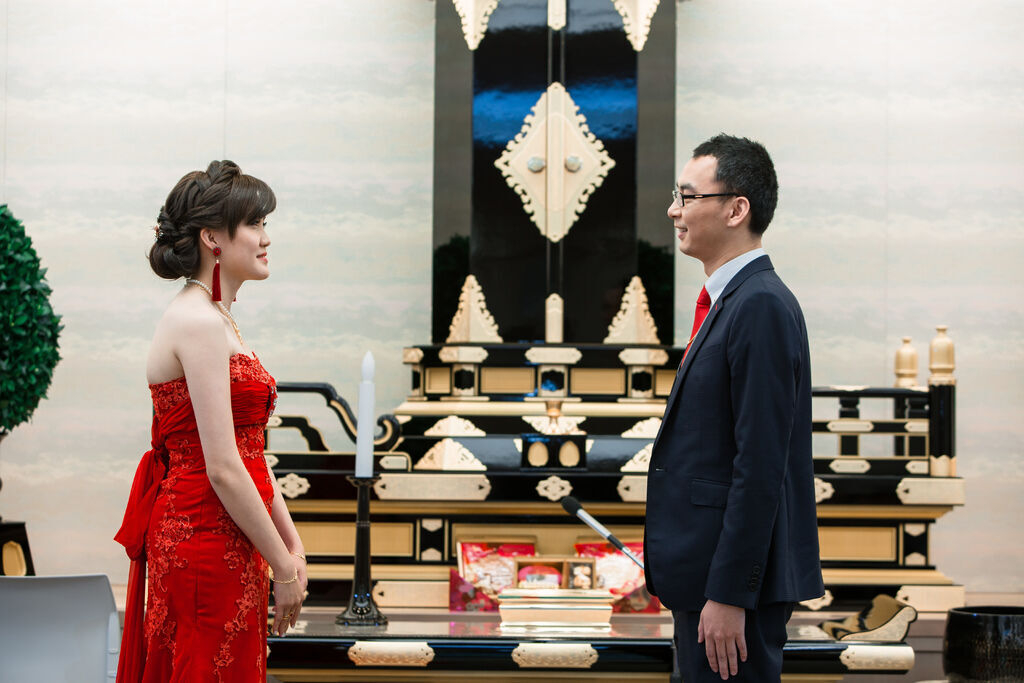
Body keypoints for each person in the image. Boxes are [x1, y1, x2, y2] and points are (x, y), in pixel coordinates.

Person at [115, 160, 308, 682]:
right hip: (203, 534)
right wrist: (283, 564)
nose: (266, 238)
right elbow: (223, 466)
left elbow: (249, 453)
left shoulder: (217, 317)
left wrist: (290, 545)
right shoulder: (197, 321)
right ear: (212, 238)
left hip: (232, 531)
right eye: (255, 224)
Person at [643, 135, 824, 681]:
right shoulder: (732, 300)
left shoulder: (760, 304)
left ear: (736, 208)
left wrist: (728, 593)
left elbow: (761, 462)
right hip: (704, 578)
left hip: (729, 594)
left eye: (687, 196)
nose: (674, 210)